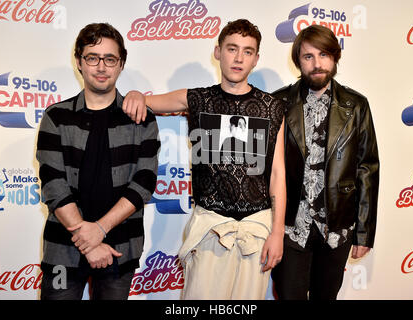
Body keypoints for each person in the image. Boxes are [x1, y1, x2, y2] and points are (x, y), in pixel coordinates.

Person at [122, 19, 286, 300]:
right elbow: (149, 102)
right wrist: (136, 93)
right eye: (232, 48)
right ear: (217, 52)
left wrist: (278, 234)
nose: (238, 57)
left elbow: (278, 175)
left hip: (257, 229)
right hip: (209, 226)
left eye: (247, 51)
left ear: (256, 58)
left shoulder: (273, 108)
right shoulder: (197, 99)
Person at [36, 23, 160, 300]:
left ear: (121, 64)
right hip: (63, 250)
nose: (101, 66)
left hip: (120, 248)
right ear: (79, 61)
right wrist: (90, 242)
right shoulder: (56, 117)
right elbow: (53, 185)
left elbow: (144, 183)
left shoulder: (141, 118)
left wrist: (101, 229)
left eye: (110, 59)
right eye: (92, 57)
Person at [271, 25, 379, 300]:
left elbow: (367, 168)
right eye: (308, 57)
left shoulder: (356, 105)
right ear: (298, 61)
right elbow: (267, 169)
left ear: (335, 57)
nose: (317, 64)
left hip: (337, 228)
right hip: (291, 227)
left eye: (323, 55)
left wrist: (364, 233)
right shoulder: (279, 102)